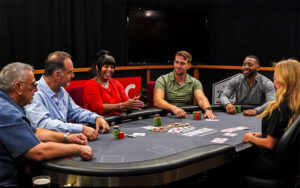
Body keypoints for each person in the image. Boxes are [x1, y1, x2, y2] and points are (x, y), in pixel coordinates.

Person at [0, 62, 93, 186]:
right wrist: (78, 149)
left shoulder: (11, 104)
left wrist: (67, 137)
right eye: (33, 85)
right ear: (18, 87)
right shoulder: (7, 112)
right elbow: (37, 152)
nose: (36, 89)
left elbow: (36, 132)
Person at [25, 51, 110, 141]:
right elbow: (44, 125)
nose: (73, 75)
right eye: (69, 72)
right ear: (57, 74)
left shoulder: (61, 90)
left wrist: (96, 117)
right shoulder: (34, 93)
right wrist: (81, 128)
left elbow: (75, 112)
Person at [242, 59, 300, 178]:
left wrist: (250, 138)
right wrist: (261, 134)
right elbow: (284, 134)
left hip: (271, 166)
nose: (274, 84)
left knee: (230, 166)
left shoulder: (280, 107)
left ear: (285, 80)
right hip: (290, 166)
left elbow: (269, 143)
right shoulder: (295, 105)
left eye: (275, 79)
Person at [154, 50, 216, 119]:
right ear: (174, 63)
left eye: (182, 63)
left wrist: (208, 109)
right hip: (166, 116)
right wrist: (173, 108)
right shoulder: (162, 79)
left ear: (189, 66)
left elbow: (201, 98)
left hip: (185, 116)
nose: (178, 66)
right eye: (177, 62)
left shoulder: (194, 82)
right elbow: (157, 101)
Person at [83, 50, 144, 115]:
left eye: (112, 67)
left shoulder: (116, 83)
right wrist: (123, 105)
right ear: (97, 67)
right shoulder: (90, 85)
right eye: (106, 66)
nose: (110, 70)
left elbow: (125, 101)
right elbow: (99, 108)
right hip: (98, 122)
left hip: (117, 121)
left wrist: (132, 104)